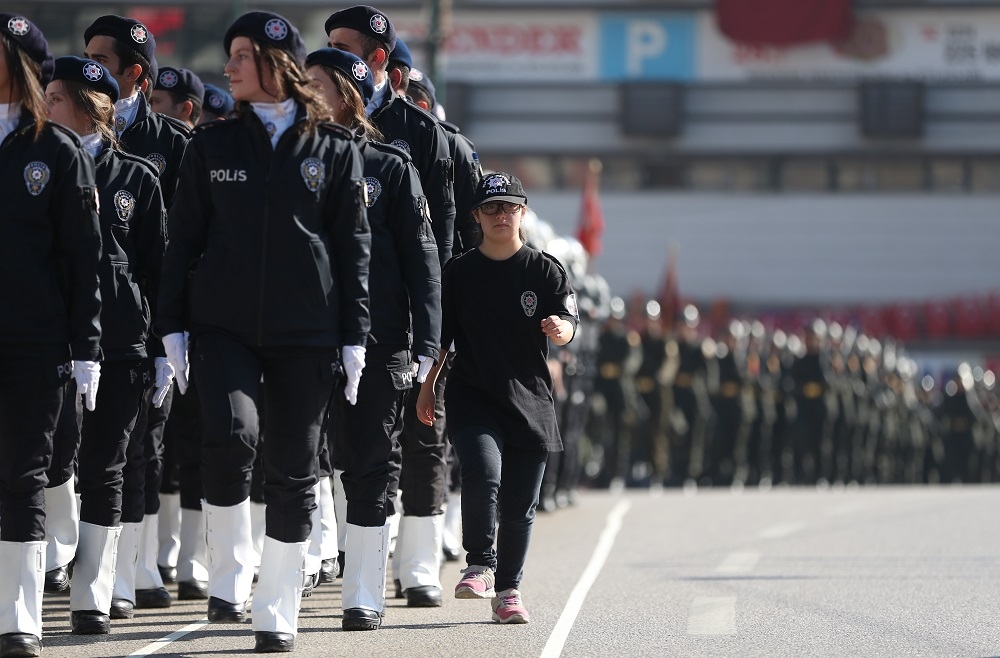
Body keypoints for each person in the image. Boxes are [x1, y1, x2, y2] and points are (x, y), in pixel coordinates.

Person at [157, 12, 370, 654]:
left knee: (293, 467)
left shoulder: (334, 149)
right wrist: (172, 326)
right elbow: (181, 240)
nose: (228, 67)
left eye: (242, 55)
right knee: (231, 434)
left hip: (308, 332)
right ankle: (230, 577)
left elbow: (353, 248)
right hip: (223, 329)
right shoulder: (212, 145)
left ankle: (276, 609)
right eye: (230, 55)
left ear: (277, 62)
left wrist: (354, 334)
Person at [306, 46, 442, 624]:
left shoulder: (389, 167)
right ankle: (300, 569)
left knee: (370, 461)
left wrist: (427, 346)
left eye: (318, 85)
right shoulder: (288, 161)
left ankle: (362, 594)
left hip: (380, 338)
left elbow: (422, 263)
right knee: (303, 457)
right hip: (303, 335)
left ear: (349, 96)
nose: (306, 94)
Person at [44, 53, 171, 633]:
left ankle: (93, 595)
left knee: (107, 465)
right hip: (49, 341)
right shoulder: (34, 168)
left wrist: (163, 347)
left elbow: (157, 269)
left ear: (88, 109)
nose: (45, 107)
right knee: (51, 459)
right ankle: (57, 551)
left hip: (122, 345)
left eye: (55, 99)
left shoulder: (136, 178)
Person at [416, 172, 578, 625]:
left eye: (509, 207)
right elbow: (442, 339)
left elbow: (569, 320)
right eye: (491, 208)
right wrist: (428, 386)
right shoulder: (460, 272)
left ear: (523, 213)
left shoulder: (544, 270)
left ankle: (508, 592)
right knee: (482, 472)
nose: (500, 215)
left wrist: (561, 330)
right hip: (474, 395)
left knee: (519, 506)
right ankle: (480, 565)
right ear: (476, 216)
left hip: (530, 400)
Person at [0, 15, 103, 657]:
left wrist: (85, 348)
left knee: (22, 476)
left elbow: (84, 259)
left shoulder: (57, 151)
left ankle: (18, 620)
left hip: (34, 342)